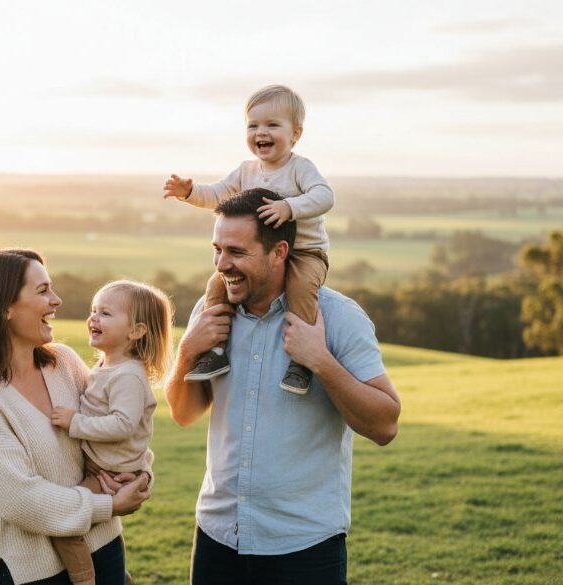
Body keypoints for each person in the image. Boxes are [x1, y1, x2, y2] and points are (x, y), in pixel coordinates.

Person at [164, 190, 401, 585]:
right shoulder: (209, 313)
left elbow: (385, 425)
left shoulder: (338, 317)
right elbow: (184, 413)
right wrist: (188, 351)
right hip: (217, 537)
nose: (223, 265)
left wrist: (320, 360)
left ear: (279, 252)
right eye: (217, 250)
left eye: (237, 252)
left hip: (304, 547)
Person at [0, 249, 150, 585]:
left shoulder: (64, 362)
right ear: (4, 307)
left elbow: (123, 426)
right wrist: (107, 505)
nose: (56, 300)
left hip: (104, 545)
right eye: (42, 291)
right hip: (35, 569)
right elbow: (20, 500)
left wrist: (139, 476)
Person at [164, 84, 334, 395]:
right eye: (253, 125)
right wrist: (189, 193)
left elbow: (324, 196)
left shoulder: (300, 168)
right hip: (258, 257)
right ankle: (215, 351)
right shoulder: (246, 171)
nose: (261, 132)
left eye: (272, 125)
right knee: (216, 285)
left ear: (296, 133)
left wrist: (289, 207)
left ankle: (302, 361)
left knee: (299, 290)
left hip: (305, 252)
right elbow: (218, 195)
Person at [48, 280, 174, 585]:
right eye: (93, 310)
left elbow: (123, 425)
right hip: (104, 466)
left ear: (136, 331)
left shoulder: (128, 375)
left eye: (105, 313)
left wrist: (74, 422)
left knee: (64, 526)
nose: (93, 318)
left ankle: (84, 580)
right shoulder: (107, 366)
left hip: (111, 473)